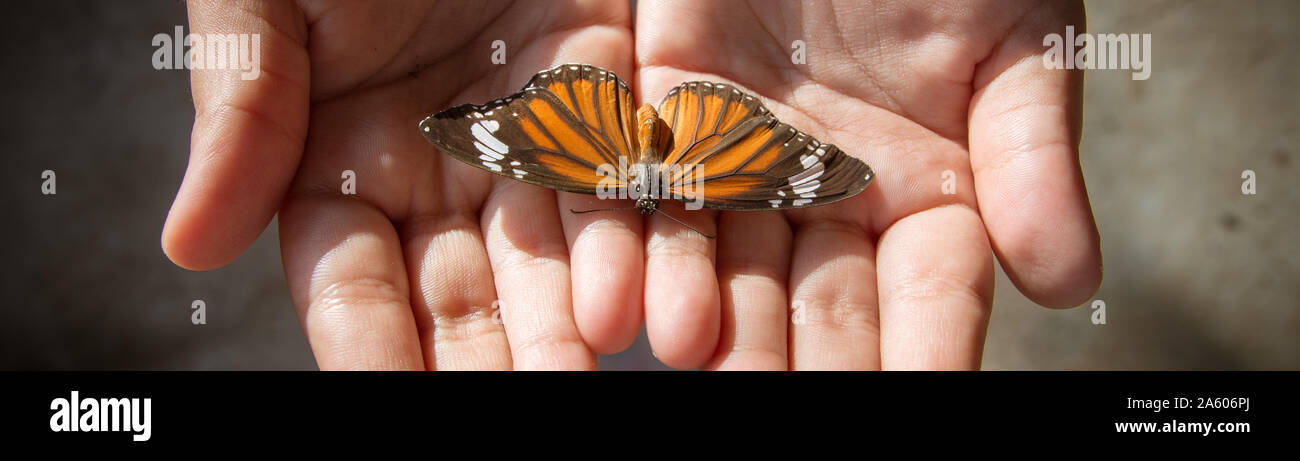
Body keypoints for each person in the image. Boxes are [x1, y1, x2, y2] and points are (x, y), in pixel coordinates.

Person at [162, 0, 1101, 370]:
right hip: (693, 151)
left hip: (600, 150)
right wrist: (726, 175)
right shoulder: (694, 182)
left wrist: (589, 168)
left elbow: (527, 144)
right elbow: (780, 170)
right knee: (772, 181)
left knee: (534, 154)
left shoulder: (598, 174)